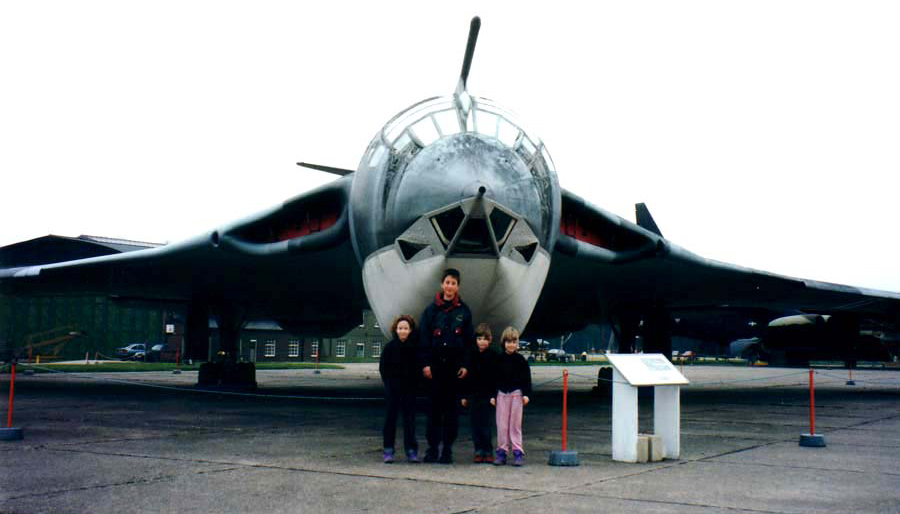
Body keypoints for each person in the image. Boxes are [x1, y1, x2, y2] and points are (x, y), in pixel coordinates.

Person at [418, 268, 474, 464]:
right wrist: (425, 363)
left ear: (457, 286)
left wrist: (466, 364)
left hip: (454, 368)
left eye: (453, 283)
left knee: (451, 412)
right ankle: (432, 449)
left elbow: (469, 341)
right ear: (442, 284)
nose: (450, 287)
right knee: (433, 411)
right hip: (435, 367)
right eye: (447, 282)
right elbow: (423, 338)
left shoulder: (464, 311)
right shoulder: (430, 311)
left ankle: (447, 450)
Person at [379, 314, 420, 463]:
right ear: (395, 330)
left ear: (410, 330)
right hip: (393, 389)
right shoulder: (389, 348)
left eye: (405, 328)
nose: (403, 331)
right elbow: (383, 368)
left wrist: (415, 385)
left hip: (409, 389)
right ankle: (388, 450)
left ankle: (411, 450)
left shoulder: (414, 348)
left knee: (409, 421)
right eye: (400, 328)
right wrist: (389, 384)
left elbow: (418, 369)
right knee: (390, 420)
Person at [491, 326, 532, 466]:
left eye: (514, 342)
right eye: (508, 342)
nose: (511, 345)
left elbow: (527, 379)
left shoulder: (521, 360)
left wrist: (526, 394)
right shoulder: (498, 359)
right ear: (503, 343)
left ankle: (517, 452)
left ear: (517, 344)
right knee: (502, 425)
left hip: (516, 395)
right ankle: (501, 451)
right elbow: (493, 379)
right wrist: (493, 395)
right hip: (502, 394)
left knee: (515, 425)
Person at [461, 323, 498, 463]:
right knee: (475, 425)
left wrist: (494, 396)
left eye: (484, 339)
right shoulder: (471, 355)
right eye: (479, 338)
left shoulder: (494, 356)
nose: (482, 341)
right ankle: (478, 450)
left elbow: (496, 378)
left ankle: (488, 450)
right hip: (473, 395)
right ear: (475, 340)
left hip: (487, 396)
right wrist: (464, 395)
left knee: (487, 425)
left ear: (490, 340)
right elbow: (466, 378)